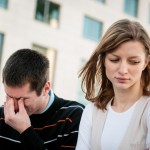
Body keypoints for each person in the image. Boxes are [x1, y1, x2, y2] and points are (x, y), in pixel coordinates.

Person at [75, 19, 150, 150]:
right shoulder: (91, 112)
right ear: (103, 59)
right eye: (114, 60)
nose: (123, 70)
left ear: (146, 62)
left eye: (133, 62)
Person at [0, 49, 85, 150]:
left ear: (45, 88)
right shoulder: (2, 116)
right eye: (9, 96)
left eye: (22, 99)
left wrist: (25, 131)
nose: (14, 105)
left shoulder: (73, 116)